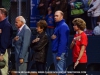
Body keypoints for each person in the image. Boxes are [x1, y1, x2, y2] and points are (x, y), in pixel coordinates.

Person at [51, 10, 70, 75]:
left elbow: (63, 41)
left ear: (62, 16)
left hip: (59, 53)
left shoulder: (63, 26)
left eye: (57, 16)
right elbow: (57, 38)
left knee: (60, 72)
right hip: (56, 51)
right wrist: (52, 37)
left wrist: (59, 54)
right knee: (59, 71)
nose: (55, 17)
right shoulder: (58, 26)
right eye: (54, 16)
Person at [0, 8, 13, 75]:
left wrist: (1, 53)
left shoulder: (6, 25)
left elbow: (5, 40)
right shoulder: (1, 23)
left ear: (3, 14)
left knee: (3, 70)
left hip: (4, 51)